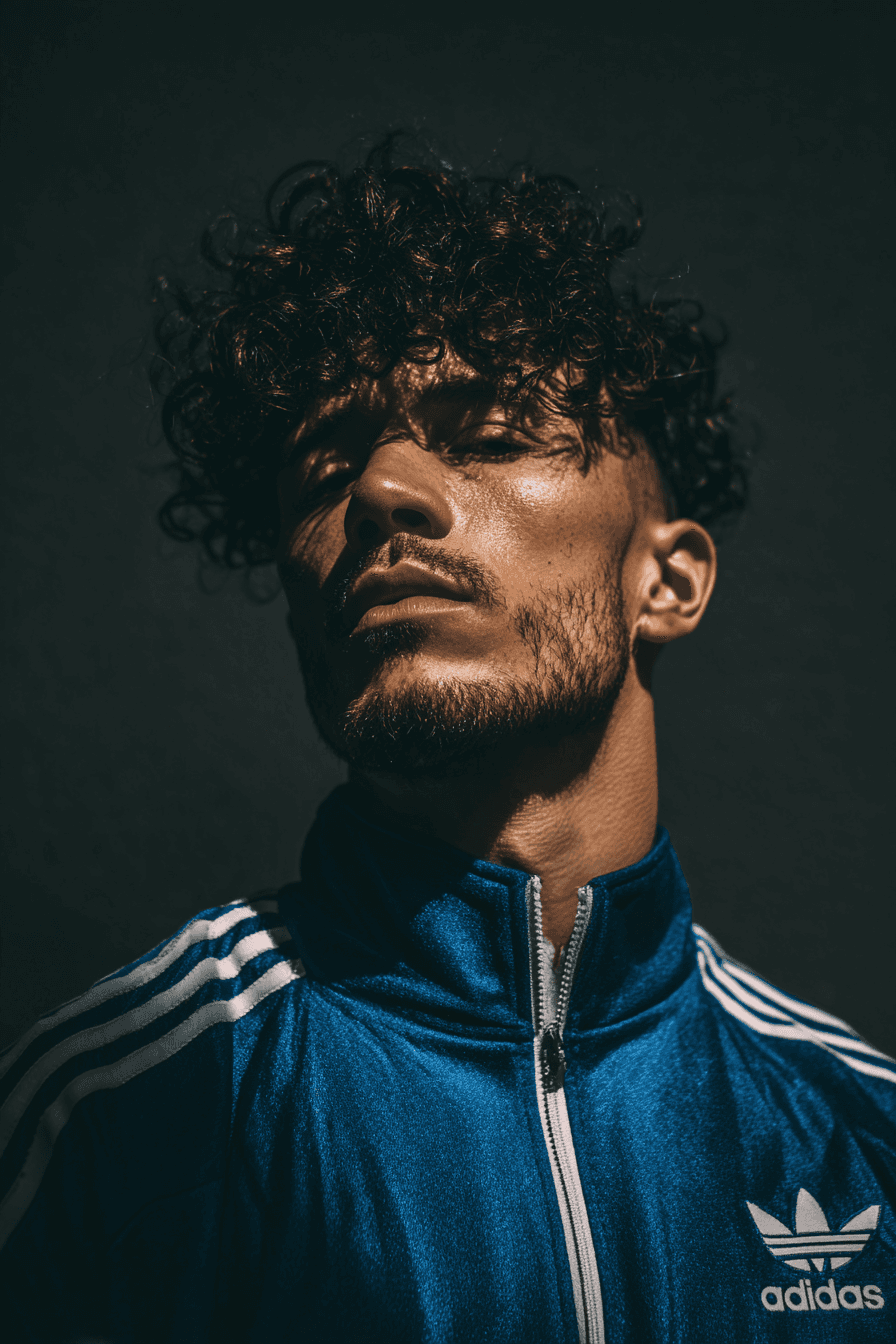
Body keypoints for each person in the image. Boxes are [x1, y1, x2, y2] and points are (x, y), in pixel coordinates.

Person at [1, 135, 893, 1343]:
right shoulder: (133, 1103)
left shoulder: (857, 1128)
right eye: (324, 470)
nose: (380, 490)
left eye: (487, 434)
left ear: (667, 581)